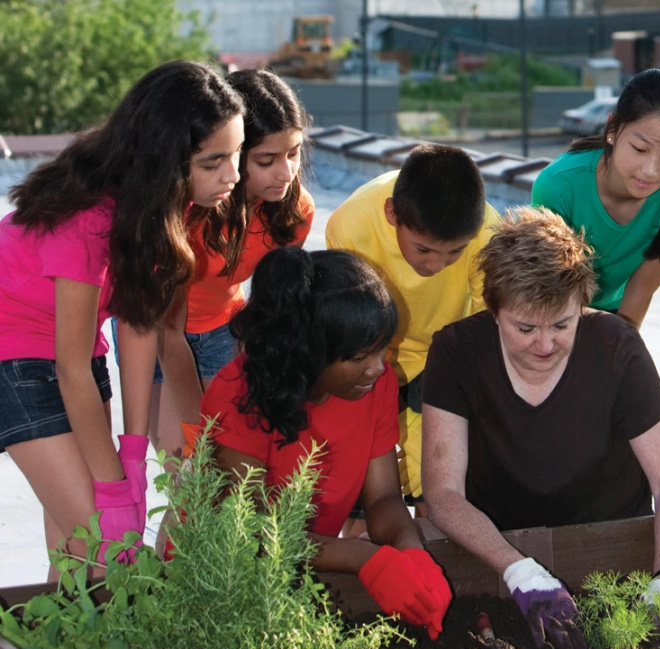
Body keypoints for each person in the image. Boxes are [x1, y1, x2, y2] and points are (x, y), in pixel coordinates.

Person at [0, 60, 244, 573]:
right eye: (213, 161)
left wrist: (133, 453)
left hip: (77, 351)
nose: (233, 175)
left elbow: (138, 326)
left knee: (75, 555)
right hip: (15, 354)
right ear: (164, 159)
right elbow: (68, 371)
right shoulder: (88, 220)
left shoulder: (158, 207)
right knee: (111, 554)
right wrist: (112, 486)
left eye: (236, 154)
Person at [422, 207, 660, 649]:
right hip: (499, 545)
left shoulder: (616, 347)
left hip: (613, 546)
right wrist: (518, 571)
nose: (545, 345)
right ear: (494, 310)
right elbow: (443, 495)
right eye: (525, 327)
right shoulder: (456, 352)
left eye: (563, 324)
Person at [200, 248, 451, 639]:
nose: (379, 366)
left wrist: (411, 552)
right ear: (308, 351)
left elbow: (383, 498)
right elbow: (248, 534)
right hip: (217, 583)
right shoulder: (237, 395)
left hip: (302, 572)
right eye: (359, 356)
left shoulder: (375, 384)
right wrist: (365, 559)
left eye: (382, 347)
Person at [325, 143, 502, 511]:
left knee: (435, 480)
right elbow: (347, 323)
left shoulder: (488, 231)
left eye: (454, 252)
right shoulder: (351, 225)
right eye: (423, 250)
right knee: (359, 480)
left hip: (442, 353)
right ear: (392, 213)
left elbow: (489, 324)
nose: (437, 264)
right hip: (370, 357)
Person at [152, 68, 315, 465]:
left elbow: (267, 310)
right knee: (184, 466)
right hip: (160, 333)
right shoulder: (184, 212)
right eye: (266, 159)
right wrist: (195, 432)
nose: (286, 173)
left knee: (228, 467)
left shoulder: (296, 213)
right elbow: (165, 331)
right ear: (232, 151)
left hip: (225, 329)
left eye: (293, 153)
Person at [531, 68, 660, 329]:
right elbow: (542, 288)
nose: (650, 170)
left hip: (617, 312)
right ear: (613, 130)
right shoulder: (558, 184)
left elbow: (640, 291)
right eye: (639, 149)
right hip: (548, 307)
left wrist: (620, 349)